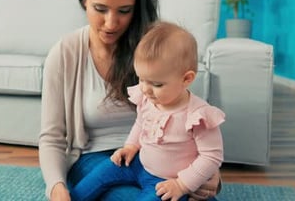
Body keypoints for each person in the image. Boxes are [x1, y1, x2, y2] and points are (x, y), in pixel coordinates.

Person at [38, 0, 221, 201]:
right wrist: (57, 188)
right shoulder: (65, 53)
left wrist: (208, 174)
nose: (111, 23)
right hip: (96, 157)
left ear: (137, 7)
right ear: (83, 0)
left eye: (124, 11)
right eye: (100, 9)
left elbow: (186, 112)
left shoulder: (155, 45)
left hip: (163, 158)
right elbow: (51, 137)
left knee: (189, 195)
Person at [69, 22, 225, 201]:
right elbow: (140, 124)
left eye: (156, 84)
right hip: (138, 163)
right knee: (98, 175)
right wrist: (131, 146)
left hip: (168, 181)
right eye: (141, 79)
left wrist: (182, 185)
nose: (145, 89)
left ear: (186, 79)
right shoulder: (148, 98)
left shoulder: (198, 116)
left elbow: (212, 156)